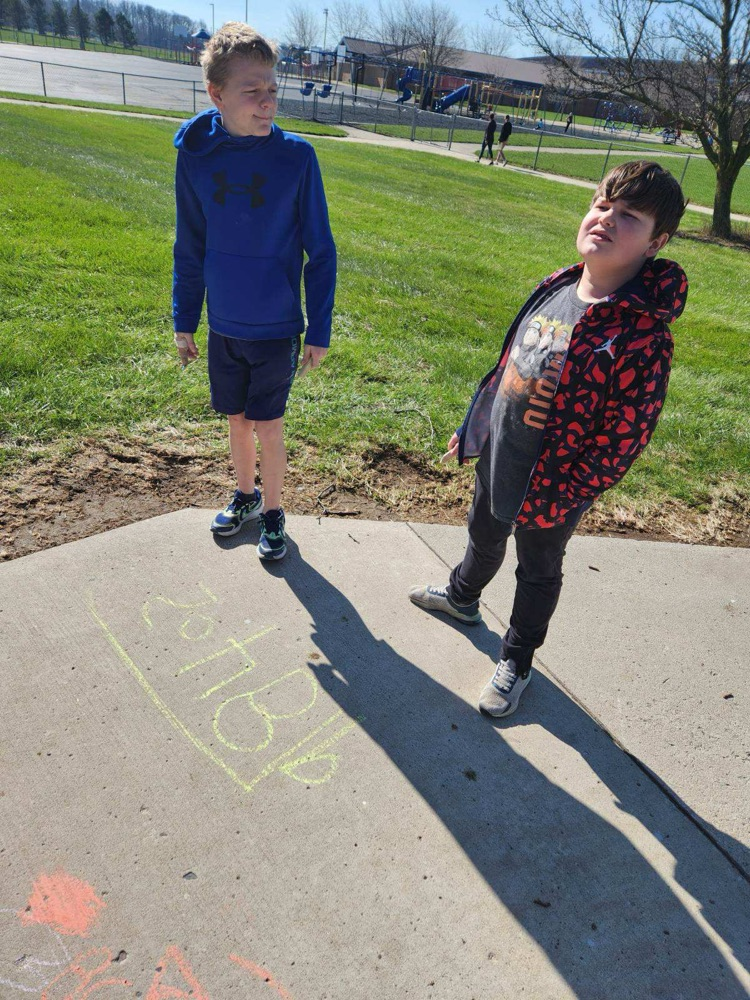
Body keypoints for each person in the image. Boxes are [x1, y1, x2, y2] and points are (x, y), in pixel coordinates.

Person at [409, 161, 688, 719]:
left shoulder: (642, 334)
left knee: (537, 568)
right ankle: (463, 598)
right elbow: (512, 364)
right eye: (602, 204)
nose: (606, 219)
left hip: (557, 483)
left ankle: (518, 659)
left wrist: (572, 491)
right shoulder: (557, 286)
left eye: (628, 216)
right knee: (482, 533)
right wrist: (476, 426)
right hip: (502, 453)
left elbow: (626, 436)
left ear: (656, 242)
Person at [172, 22, 336, 562]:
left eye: (272, 89)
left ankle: (272, 512)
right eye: (252, 91)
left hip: (278, 326)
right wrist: (184, 318)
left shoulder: (297, 158)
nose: (268, 103)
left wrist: (320, 328)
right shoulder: (196, 155)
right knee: (237, 420)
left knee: (268, 423)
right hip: (225, 324)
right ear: (216, 94)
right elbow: (189, 243)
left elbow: (322, 250)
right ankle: (244, 497)